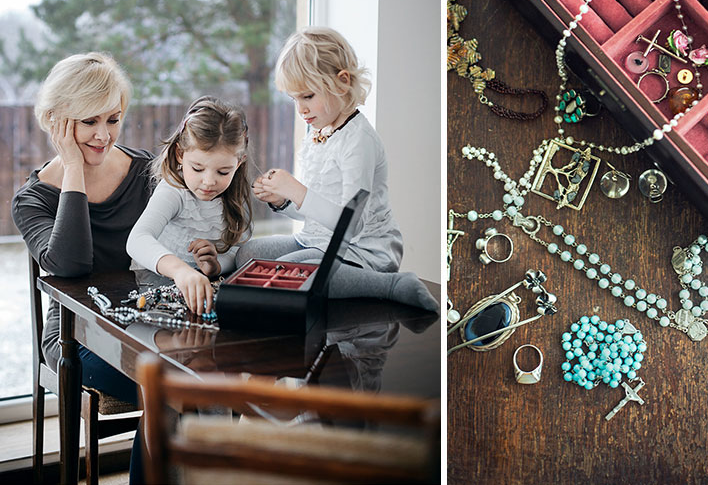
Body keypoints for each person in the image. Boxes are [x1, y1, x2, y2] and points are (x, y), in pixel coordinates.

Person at [11, 52, 151, 484]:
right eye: (89, 122)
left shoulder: (145, 172)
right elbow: (70, 268)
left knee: (195, 383)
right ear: (56, 122)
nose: (103, 135)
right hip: (75, 336)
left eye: (113, 119)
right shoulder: (32, 199)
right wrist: (73, 167)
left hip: (143, 323)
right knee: (175, 390)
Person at [244, 26, 438, 312]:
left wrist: (296, 190)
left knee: (303, 276)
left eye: (308, 96)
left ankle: (392, 285)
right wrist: (283, 201)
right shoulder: (317, 132)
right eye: (294, 99)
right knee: (249, 254)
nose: (300, 109)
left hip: (362, 249)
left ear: (342, 82)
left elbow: (351, 224)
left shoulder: (358, 141)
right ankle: (320, 269)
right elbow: (317, 208)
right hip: (317, 241)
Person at [127, 96, 250, 315]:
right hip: (157, 282)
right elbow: (137, 240)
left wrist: (216, 264)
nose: (209, 181)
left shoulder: (234, 197)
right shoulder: (173, 191)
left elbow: (237, 252)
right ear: (180, 154)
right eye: (198, 168)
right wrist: (181, 271)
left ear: (238, 163)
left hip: (204, 284)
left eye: (223, 172)